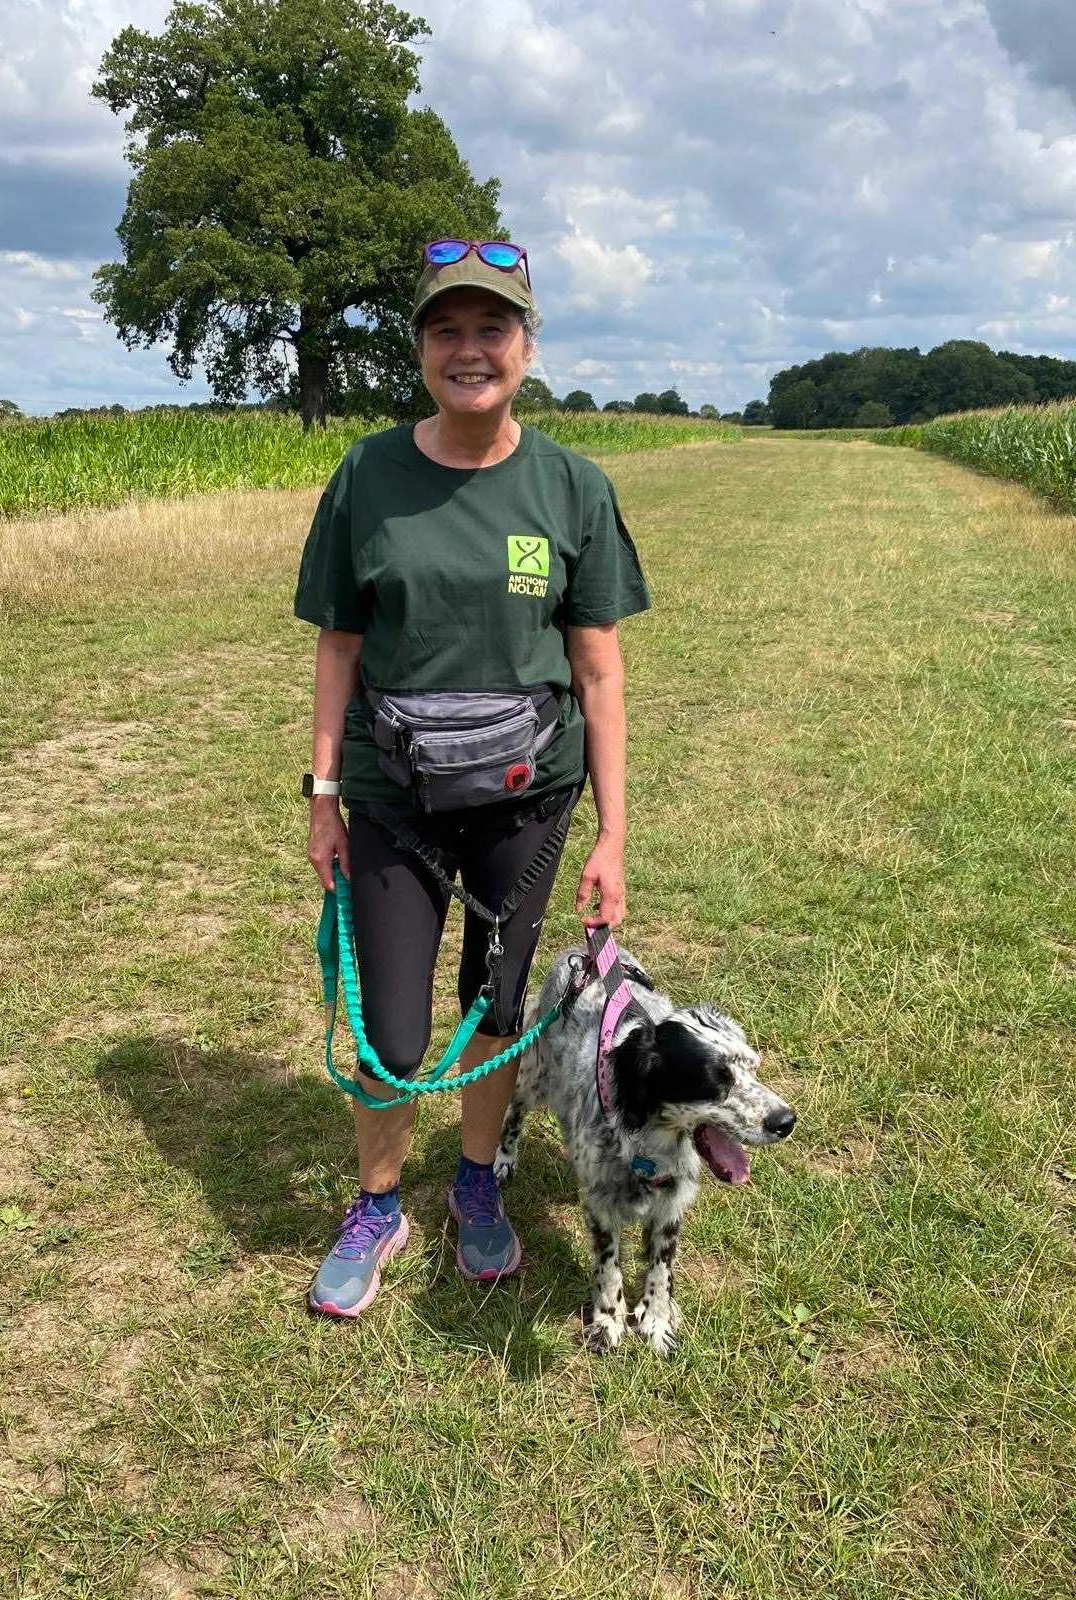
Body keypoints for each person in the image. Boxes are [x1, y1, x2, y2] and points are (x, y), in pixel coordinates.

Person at [294, 238, 651, 1318]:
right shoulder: (366, 475)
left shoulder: (570, 487)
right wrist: (322, 794)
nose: (469, 350)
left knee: (496, 1005)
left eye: (492, 328)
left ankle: (476, 1180)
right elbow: (338, 648)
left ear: (527, 348)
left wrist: (612, 834)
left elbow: (598, 669)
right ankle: (376, 1202)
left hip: (527, 805)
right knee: (392, 1033)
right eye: (446, 329)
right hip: (393, 803)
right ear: (417, 350)